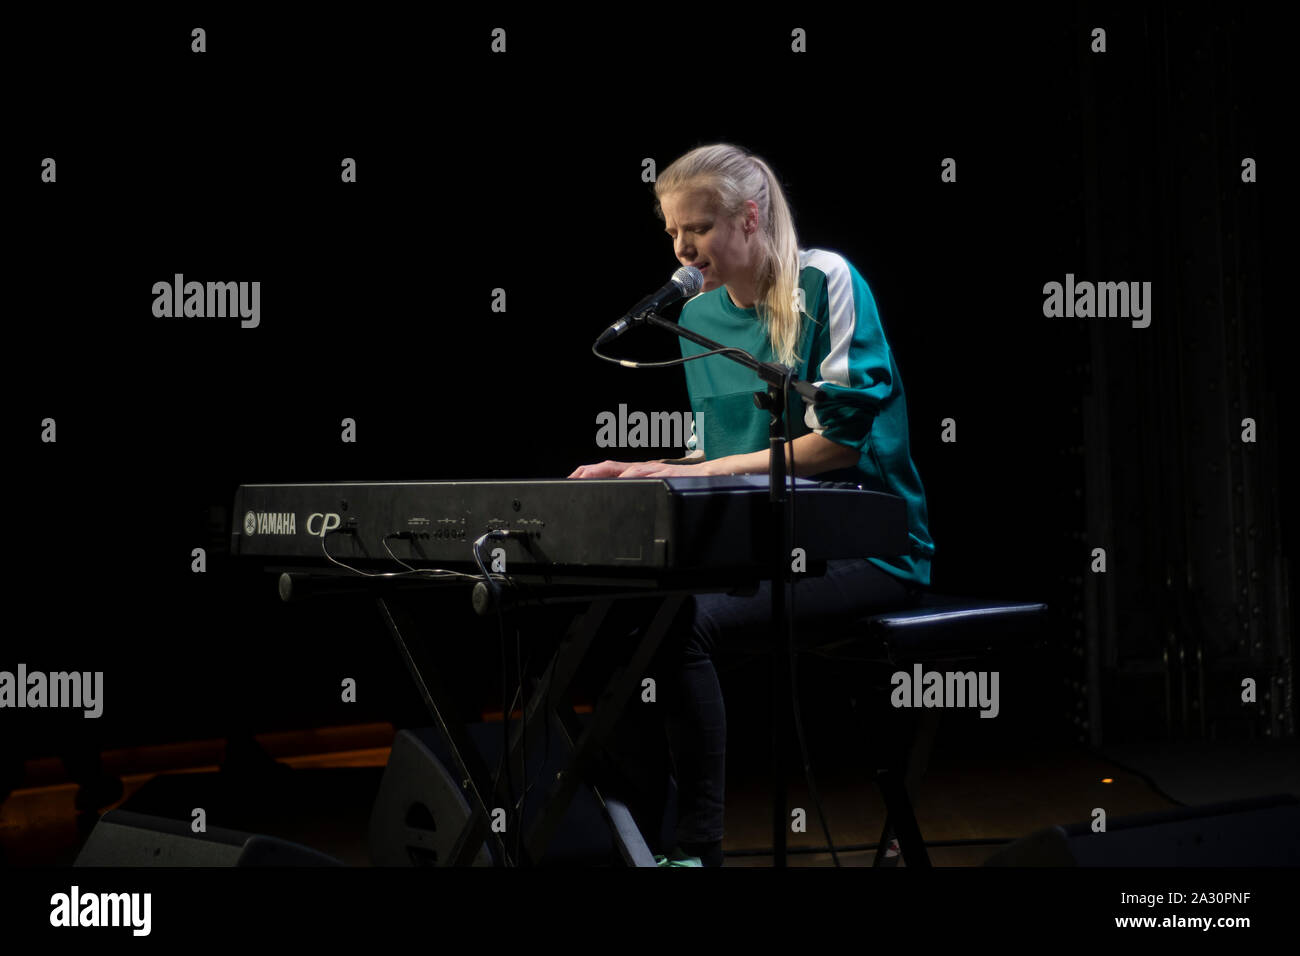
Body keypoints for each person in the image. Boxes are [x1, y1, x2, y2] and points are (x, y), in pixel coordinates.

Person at [568, 143, 934, 866]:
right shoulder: (699, 319)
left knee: (681, 629)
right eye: (673, 233)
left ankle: (695, 850)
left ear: (749, 217)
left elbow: (834, 445)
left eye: (697, 228)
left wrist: (683, 473)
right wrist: (645, 466)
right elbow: (730, 454)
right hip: (761, 542)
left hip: (867, 548)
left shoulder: (824, 279)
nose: (682, 247)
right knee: (617, 623)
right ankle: (631, 842)